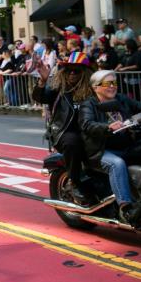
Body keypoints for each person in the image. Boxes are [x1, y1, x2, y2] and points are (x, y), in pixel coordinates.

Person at [79, 70, 141, 225]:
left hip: (126, 145)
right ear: (96, 87)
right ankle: (126, 209)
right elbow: (87, 124)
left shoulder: (121, 99)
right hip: (100, 150)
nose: (112, 87)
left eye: (114, 83)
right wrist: (107, 127)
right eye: (107, 83)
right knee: (117, 164)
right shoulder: (89, 104)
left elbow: (140, 106)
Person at [33, 51, 93, 204]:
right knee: (73, 142)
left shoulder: (93, 90)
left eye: (76, 70)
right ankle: (74, 183)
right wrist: (43, 81)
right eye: (69, 70)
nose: (72, 73)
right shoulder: (59, 88)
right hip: (65, 131)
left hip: (91, 130)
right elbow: (41, 97)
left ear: (85, 73)